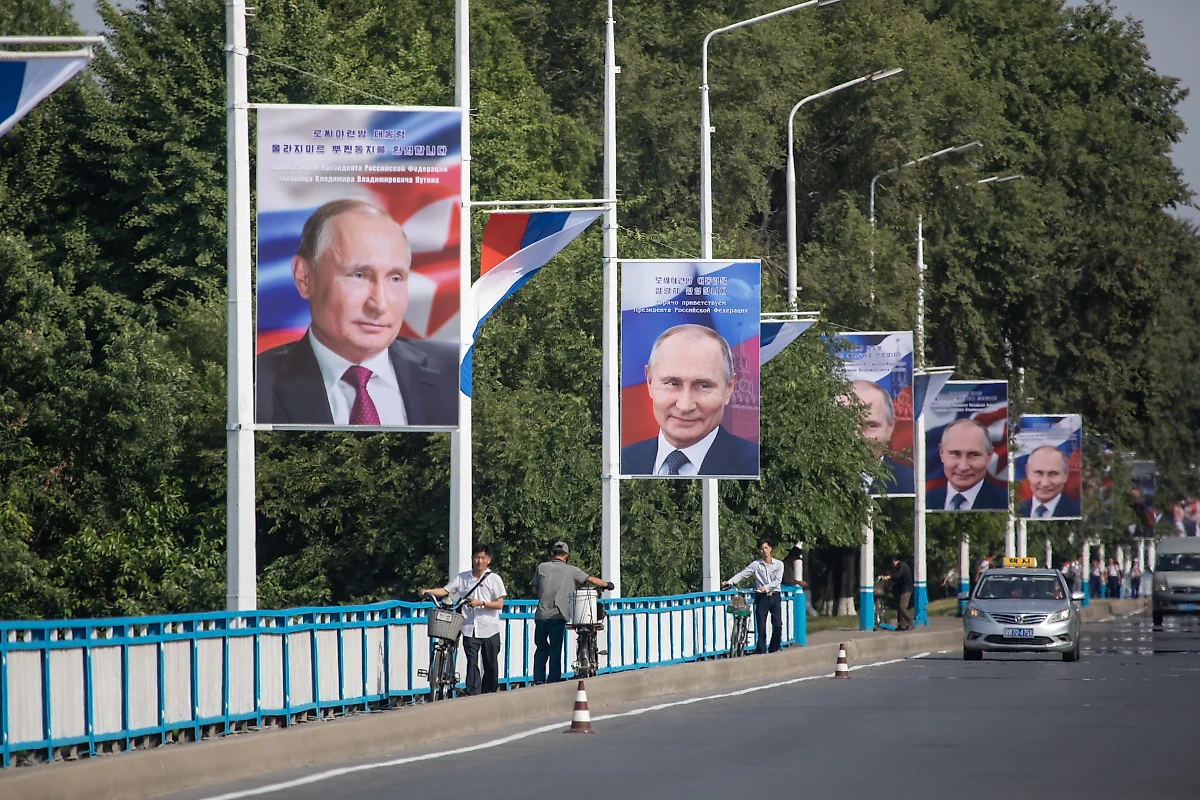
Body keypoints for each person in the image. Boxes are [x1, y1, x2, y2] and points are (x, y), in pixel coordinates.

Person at [256, 199, 458, 426]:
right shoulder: (254, 387)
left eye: (395, 278)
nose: (379, 304)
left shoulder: (457, 372)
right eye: (359, 275)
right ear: (304, 277)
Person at [621, 324, 758, 476]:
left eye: (703, 385)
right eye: (672, 383)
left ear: (729, 388)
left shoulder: (755, 465)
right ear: (649, 382)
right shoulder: (619, 463)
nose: (685, 406)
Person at [417, 543, 506, 695]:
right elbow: (446, 590)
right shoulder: (463, 578)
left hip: (489, 627)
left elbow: (499, 604)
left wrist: (481, 603)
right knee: (472, 662)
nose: (479, 561)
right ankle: (473, 695)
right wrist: (427, 591)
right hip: (469, 627)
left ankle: (489, 694)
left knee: (490, 664)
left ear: (488, 560)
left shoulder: (494, 579)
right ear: (472, 559)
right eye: (477, 557)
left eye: (483, 558)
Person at [531, 541, 613, 684]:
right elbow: (591, 580)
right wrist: (607, 585)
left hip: (541, 615)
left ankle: (538, 680)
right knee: (555, 650)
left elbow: (534, 590)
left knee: (541, 648)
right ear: (566, 556)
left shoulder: (541, 567)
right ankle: (553, 681)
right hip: (558, 615)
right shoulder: (572, 570)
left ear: (552, 554)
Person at [838, 380, 914, 495]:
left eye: (871, 425)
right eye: (845, 424)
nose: (857, 436)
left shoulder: (912, 485)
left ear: (890, 427)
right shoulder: (811, 480)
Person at [926, 419, 1008, 511]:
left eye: (974, 455)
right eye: (955, 454)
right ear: (941, 453)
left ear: (989, 456)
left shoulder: (1007, 504)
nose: (963, 467)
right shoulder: (924, 502)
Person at [723, 538, 785, 653]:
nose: (764, 551)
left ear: (770, 549)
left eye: (766, 548)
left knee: (777, 624)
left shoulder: (778, 564)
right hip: (761, 597)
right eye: (762, 549)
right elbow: (743, 574)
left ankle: (774, 647)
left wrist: (765, 588)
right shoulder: (756, 565)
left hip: (774, 595)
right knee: (761, 625)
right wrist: (730, 581)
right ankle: (761, 648)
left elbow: (777, 581)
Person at [1017, 446, 1081, 518]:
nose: (1045, 483)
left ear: (1065, 475)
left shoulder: (1078, 512)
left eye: (1053, 474)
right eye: (1038, 473)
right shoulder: (1016, 511)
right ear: (1027, 472)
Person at [886, 555, 914, 630]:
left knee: (902, 607)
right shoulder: (898, 567)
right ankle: (901, 625)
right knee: (899, 607)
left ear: (893, 562)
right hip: (902, 589)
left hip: (907, 589)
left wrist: (889, 577)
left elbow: (898, 575)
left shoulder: (902, 566)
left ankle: (910, 623)